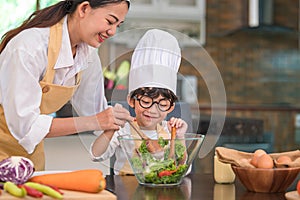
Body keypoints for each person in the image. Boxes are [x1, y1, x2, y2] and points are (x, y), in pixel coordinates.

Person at [0, 0, 133, 171]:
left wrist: (132, 142)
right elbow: (27, 127)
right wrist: (95, 121)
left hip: (28, 158)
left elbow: (97, 112)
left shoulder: (88, 55)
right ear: (84, 8)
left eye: (118, 25)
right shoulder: (29, 47)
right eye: (109, 21)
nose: (112, 31)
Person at [90, 29, 188, 175]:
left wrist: (180, 138)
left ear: (170, 107)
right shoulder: (123, 131)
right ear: (131, 100)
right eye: (146, 101)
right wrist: (111, 128)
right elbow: (96, 155)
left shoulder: (169, 131)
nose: (153, 110)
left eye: (162, 104)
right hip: (125, 192)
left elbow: (183, 169)